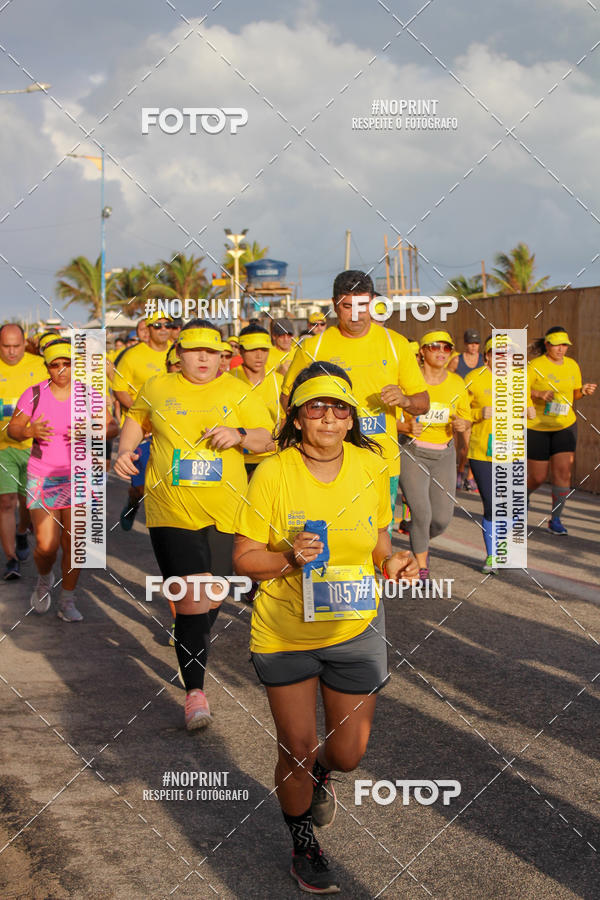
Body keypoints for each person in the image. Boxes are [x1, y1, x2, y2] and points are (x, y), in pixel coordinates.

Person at [234, 361, 418, 894]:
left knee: (347, 754)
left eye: (340, 408)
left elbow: (377, 541)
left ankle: (322, 775)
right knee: (296, 747)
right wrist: (288, 558)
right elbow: (244, 558)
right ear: (296, 417)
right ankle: (304, 844)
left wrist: (392, 561)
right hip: (285, 632)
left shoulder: (371, 465)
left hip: (354, 628)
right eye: (316, 407)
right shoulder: (272, 472)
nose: (329, 418)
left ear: (352, 417)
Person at [114, 319, 273, 730]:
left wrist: (239, 434)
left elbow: (268, 438)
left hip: (227, 511)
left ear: (223, 357)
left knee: (211, 597)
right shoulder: (157, 387)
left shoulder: (237, 391)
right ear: (179, 354)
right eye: (194, 351)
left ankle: (188, 631)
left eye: (212, 352)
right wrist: (125, 450)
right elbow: (136, 419)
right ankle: (195, 694)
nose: (203, 358)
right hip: (171, 509)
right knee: (192, 596)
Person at [282, 270, 428, 529]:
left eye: (363, 306)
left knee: (378, 537)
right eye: (347, 306)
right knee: (330, 536)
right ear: (334, 304)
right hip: (326, 463)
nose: (356, 315)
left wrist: (405, 400)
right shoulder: (314, 347)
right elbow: (287, 399)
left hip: (381, 463)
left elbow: (423, 402)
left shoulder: (396, 344)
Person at [8, 339, 118, 620]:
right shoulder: (34, 394)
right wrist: (29, 430)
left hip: (80, 475)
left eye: (66, 364)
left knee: (74, 543)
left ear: (74, 366)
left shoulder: (89, 395)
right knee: (46, 545)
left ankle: (67, 600)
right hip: (42, 475)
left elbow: (112, 427)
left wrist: (93, 431)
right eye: (54, 365)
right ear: (46, 367)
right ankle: (45, 577)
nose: (61, 370)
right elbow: (14, 428)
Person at [397, 331, 471, 581]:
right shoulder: (409, 381)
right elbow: (388, 418)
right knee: (422, 513)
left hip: (444, 454)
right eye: (434, 347)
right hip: (412, 452)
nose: (441, 352)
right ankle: (422, 567)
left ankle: (416, 534)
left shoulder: (457, 383)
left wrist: (462, 424)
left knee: (440, 519)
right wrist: (405, 427)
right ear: (422, 351)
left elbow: (466, 418)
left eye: (446, 348)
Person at [466, 335, 534, 572]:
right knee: (493, 505)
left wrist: (529, 411)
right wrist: (478, 414)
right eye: (497, 353)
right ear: (487, 356)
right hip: (483, 452)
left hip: (513, 450)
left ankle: (501, 545)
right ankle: (493, 556)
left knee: (518, 505)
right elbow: (459, 413)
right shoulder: (473, 379)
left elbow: (527, 406)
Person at [527, 326, 596, 534]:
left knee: (563, 473)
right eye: (557, 345)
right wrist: (538, 394)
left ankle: (555, 519)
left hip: (565, 425)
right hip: (537, 427)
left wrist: (583, 391)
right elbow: (519, 390)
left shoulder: (572, 365)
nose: (561, 349)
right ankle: (522, 496)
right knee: (538, 477)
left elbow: (574, 395)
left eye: (564, 345)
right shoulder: (535, 365)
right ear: (547, 344)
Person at [112, 311, 173, 530]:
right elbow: (119, 389)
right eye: (157, 325)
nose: (163, 329)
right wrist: (143, 415)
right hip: (141, 428)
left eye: (167, 325)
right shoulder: (132, 356)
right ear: (148, 329)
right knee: (141, 485)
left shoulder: (178, 352)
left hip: (171, 426)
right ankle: (133, 502)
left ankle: (169, 526)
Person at [0, 324, 47, 579]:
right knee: (6, 501)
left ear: (24, 342)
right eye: (5, 346)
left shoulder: (39, 366)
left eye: (16, 346)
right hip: (2, 447)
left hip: (33, 445)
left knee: (29, 501)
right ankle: (11, 559)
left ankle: (21, 532)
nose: (11, 352)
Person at [227, 324, 283, 475]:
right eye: (252, 350)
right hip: (238, 459)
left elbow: (286, 420)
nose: (259, 356)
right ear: (240, 350)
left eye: (264, 350)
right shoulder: (227, 381)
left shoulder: (280, 382)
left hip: (272, 459)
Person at [455, 330, 484, 491]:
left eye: (476, 343)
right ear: (465, 344)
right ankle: (460, 471)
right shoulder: (457, 361)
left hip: (480, 410)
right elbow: (448, 378)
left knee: (476, 446)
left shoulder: (483, 360)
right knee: (466, 447)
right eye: (471, 343)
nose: (474, 346)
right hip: (463, 409)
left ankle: (470, 478)